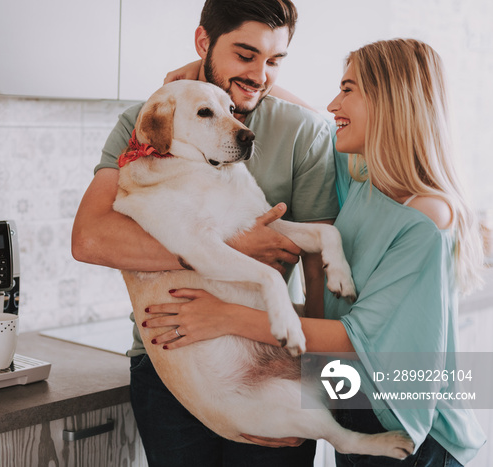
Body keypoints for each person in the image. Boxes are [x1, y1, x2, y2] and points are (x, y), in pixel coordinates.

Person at [143, 38, 486, 466]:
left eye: (347, 89)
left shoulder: (427, 220)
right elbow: (321, 120)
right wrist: (210, 80)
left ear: (390, 102)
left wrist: (226, 317)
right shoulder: (364, 182)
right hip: (364, 410)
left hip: (414, 432)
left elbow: (358, 340)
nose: (332, 103)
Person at [72, 0, 340, 464]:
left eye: (274, 60)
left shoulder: (303, 133)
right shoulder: (146, 122)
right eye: (244, 54)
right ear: (204, 42)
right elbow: (91, 239)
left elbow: (317, 272)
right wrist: (222, 247)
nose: (259, 75)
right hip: (169, 358)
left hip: (267, 356)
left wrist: (313, 385)